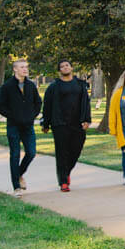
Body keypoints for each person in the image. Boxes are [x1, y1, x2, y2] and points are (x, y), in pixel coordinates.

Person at [41, 60, 91, 192]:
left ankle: (66, 171)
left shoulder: (80, 85)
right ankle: (63, 181)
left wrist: (87, 120)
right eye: (62, 66)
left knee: (76, 149)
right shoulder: (54, 86)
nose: (65, 67)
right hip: (59, 124)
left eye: (67, 65)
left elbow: (86, 103)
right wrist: (46, 123)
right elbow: (47, 105)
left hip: (77, 123)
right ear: (59, 71)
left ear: (71, 68)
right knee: (62, 152)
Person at [0, 59, 42, 197]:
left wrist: (32, 115)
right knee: (15, 155)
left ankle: (19, 174)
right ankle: (16, 187)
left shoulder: (31, 85)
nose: (25, 69)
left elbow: (38, 102)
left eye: (26, 67)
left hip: (28, 126)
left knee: (31, 152)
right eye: (22, 67)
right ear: (15, 69)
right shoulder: (8, 86)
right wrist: (13, 116)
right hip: (13, 126)